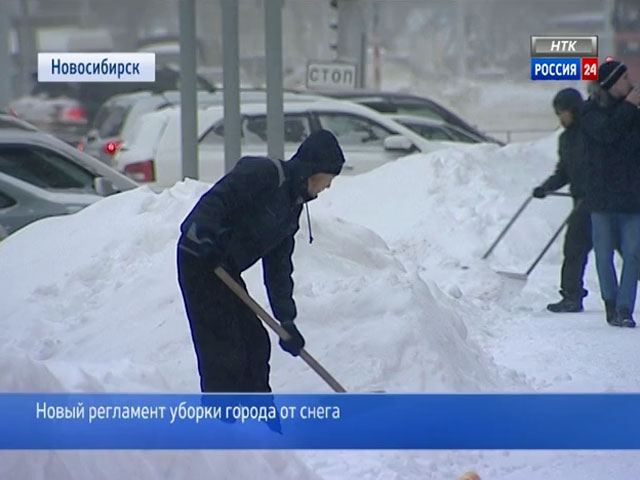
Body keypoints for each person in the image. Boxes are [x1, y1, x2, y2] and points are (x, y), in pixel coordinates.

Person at [176, 129, 345, 392]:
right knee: (223, 348)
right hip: (198, 256)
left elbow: (278, 268)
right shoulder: (266, 174)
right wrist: (204, 237)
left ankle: (261, 417)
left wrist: (286, 319)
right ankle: (224, 422)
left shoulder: (292, 207)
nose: (329, 185)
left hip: (225, 267)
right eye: (329, 177)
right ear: (316, 169)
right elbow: (216, 201)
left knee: (255, 343)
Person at [580, 60, 640, 328]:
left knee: (633, 253)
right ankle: (610, 302)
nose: (630, 82)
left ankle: (625, 307)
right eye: (624, 78)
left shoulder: (633, 113)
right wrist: (629, 106)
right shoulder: (591, 111)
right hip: (601, 198)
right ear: (612, 83)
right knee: (603, 254)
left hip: (632, 197)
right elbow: (607, 134)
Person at [533, 88, 590, 313]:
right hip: (583, 202)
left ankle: (572, 294)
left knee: (627, 248)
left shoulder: (593, 133)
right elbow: (564, 172)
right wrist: (545, 188)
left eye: (561, 113)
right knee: (574, 248)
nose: (560, 118)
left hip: (604, 200)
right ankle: (571, 295)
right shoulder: (566, 139)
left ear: (573, 110)